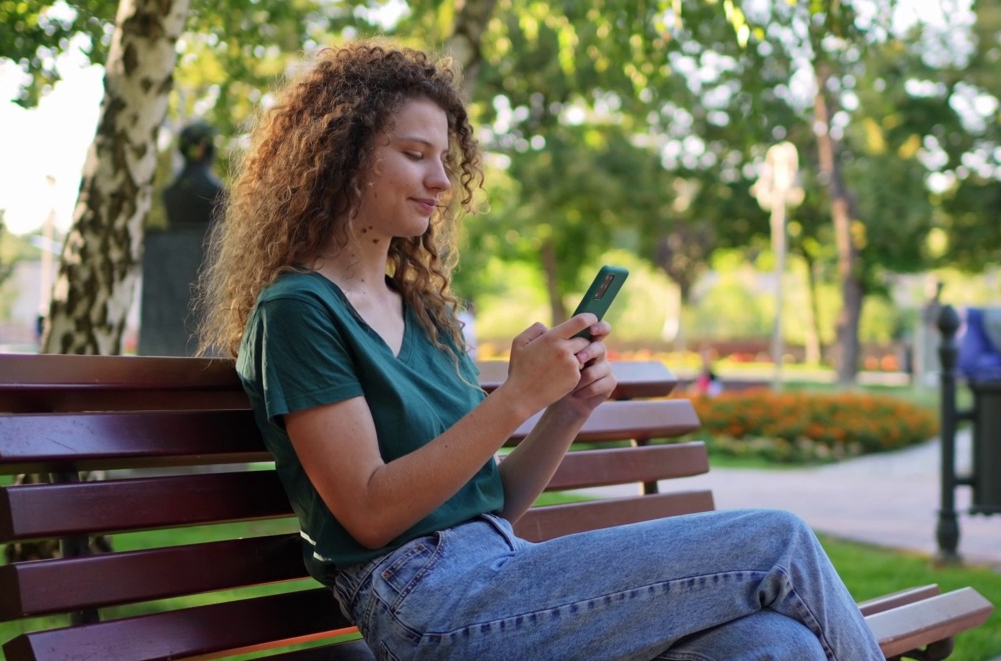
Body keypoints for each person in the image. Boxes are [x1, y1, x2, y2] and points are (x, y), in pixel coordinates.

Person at [197, 40, 884, 661]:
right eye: (414, 155)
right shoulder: (297, 313)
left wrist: (564, 412)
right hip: (423, 605)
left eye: (445, 159)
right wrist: (518, 396)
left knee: (772, 644)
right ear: (341, 159)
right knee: (779, 543)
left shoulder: (426, 313)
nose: (440, 180)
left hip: (497, 572)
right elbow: (370, 512)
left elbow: (494, 504)